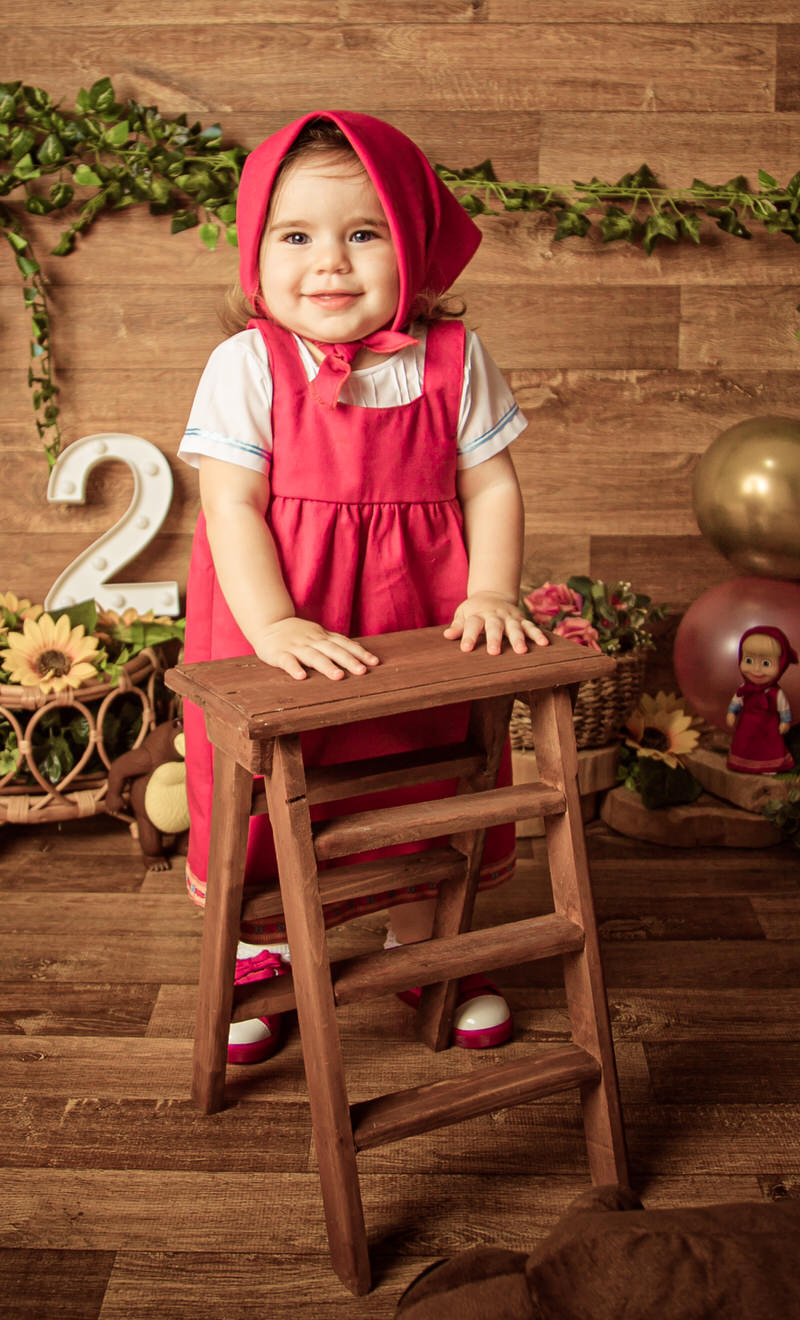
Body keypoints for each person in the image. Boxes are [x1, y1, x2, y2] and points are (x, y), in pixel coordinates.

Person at [178, 110, 547, 1063]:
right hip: (279, 614)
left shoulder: (455, 362)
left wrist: (494, 590)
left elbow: (490, 483)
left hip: (413, 616)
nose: (329, 263)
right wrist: (270, 624)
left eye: (363, 233)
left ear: (415, 249)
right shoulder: (246, 365)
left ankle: (424, 936)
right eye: (295, 236)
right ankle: (258, 947)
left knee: (420, 770)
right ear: (256, 253)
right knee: (266, 784)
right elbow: (231, 506)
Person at [725, 625, 797, 774]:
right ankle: (743, 763)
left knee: (769, 747)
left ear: (781, 664)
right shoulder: (745, 688)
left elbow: (784, 708)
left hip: (768, 727)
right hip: (747, 725)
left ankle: (769, 766)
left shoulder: (776, 693)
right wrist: (732, 713)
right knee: (745, 744)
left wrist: (785, 722)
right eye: (749, 660)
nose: (756, 669)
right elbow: (737, 701)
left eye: (766, 663)